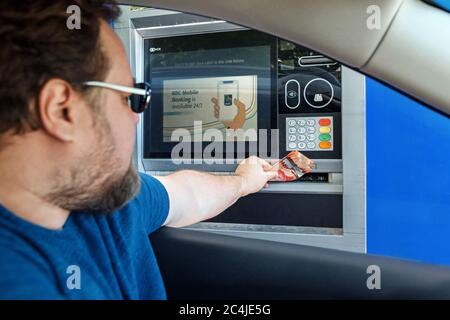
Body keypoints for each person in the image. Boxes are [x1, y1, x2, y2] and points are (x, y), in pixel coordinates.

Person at [0, 1, 279, 299]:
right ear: (62, 111)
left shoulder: (100, 199)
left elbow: (187, 193)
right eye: (132, 98)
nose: (137, 116)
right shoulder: (19, 283)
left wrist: (244, 181)